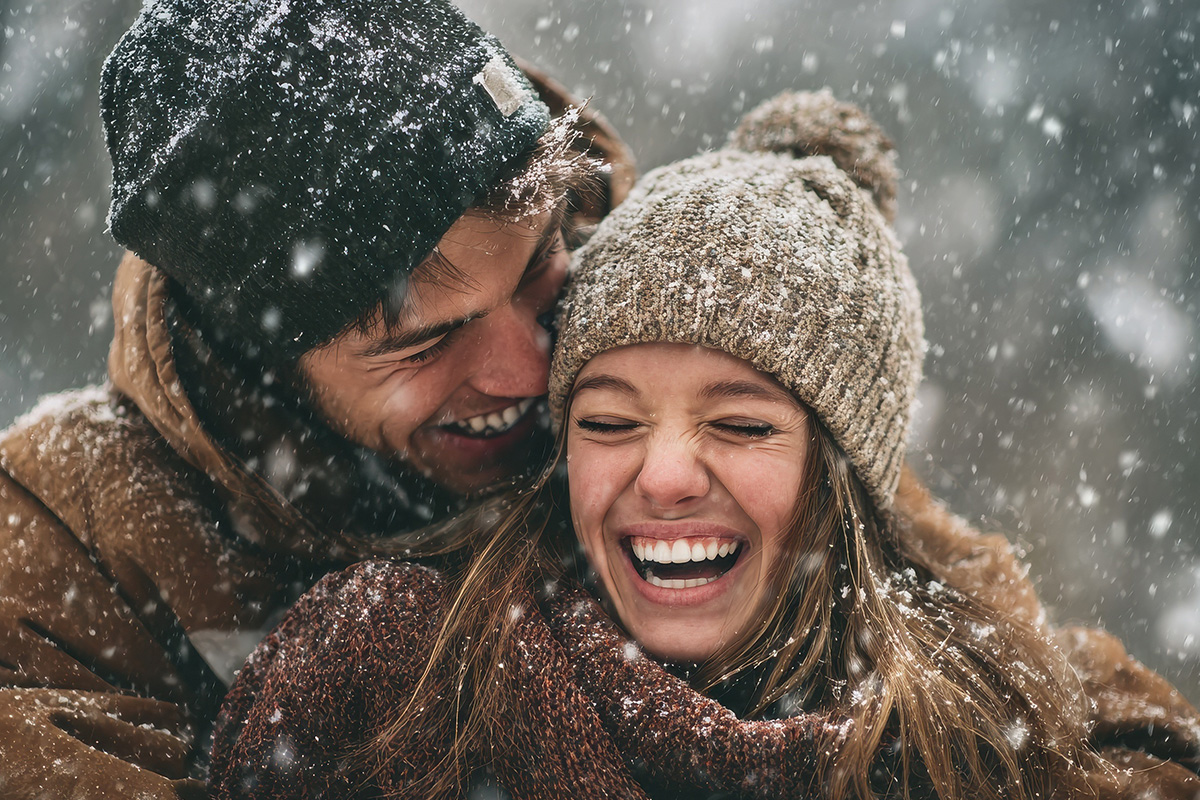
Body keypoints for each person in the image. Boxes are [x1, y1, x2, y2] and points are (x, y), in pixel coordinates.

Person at [208, 91, 1200, 799]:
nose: (668, 474)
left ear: (840, 477)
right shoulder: (391, 676)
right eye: (607, 421)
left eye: (740, 423)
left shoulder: (992, 738)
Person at [0, 0, 633, 795]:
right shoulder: (68, 554)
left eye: (542, 260)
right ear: (262, 361)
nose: (531, 366)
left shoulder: (705, 343)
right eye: (426, 342)